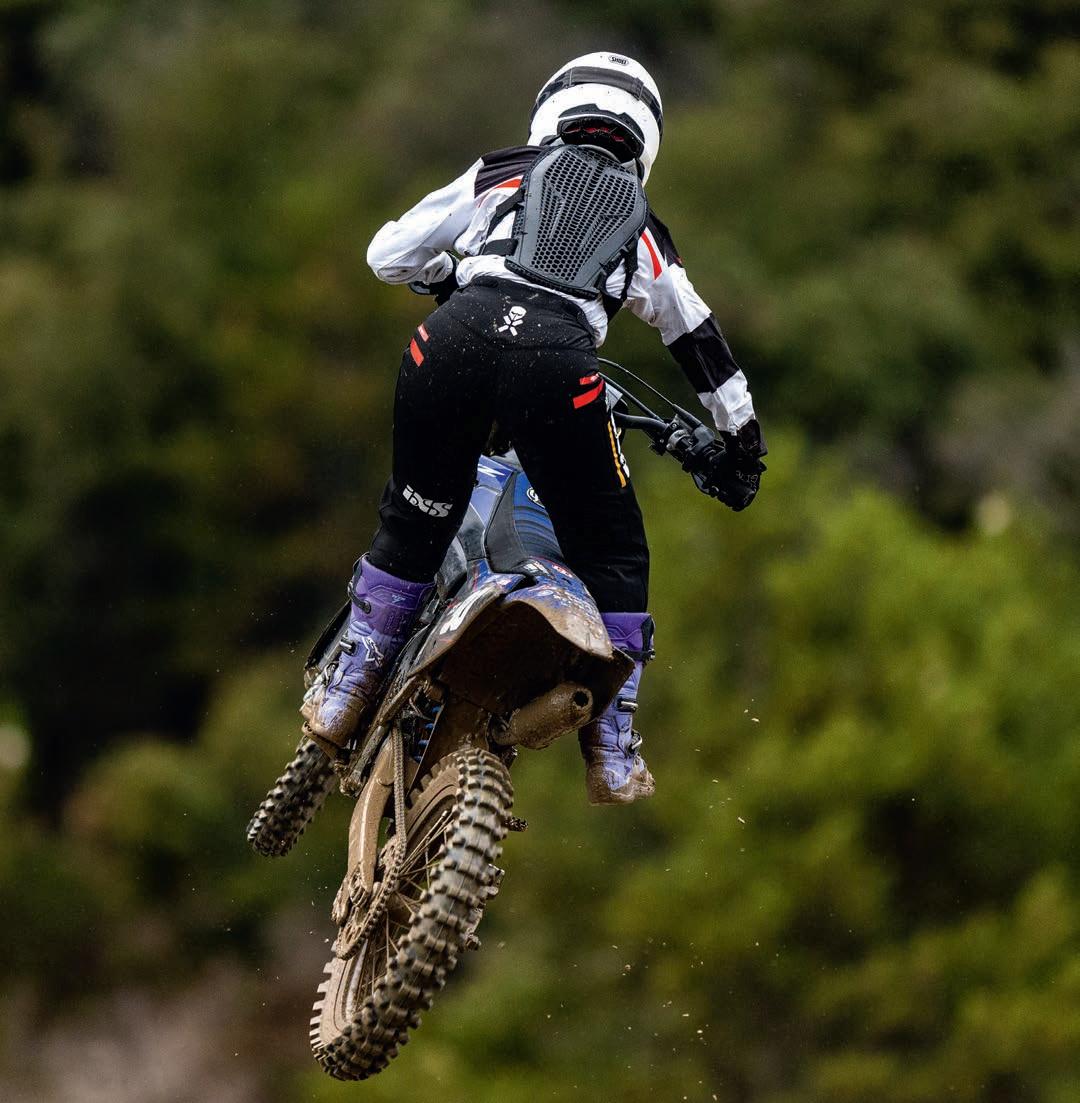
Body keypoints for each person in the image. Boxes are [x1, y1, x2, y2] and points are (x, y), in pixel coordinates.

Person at [301, 52, 766, 805]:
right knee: (614, 551)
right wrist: (743, 448)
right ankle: (611, 747)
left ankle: (349, 684)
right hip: (558, 367)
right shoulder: (643, 225)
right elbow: (700, 342)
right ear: (646, 140)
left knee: (414, 517)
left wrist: (451, 279)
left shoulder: (502, 172)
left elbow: (388, 255)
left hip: (451, 340)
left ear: (551, 111)